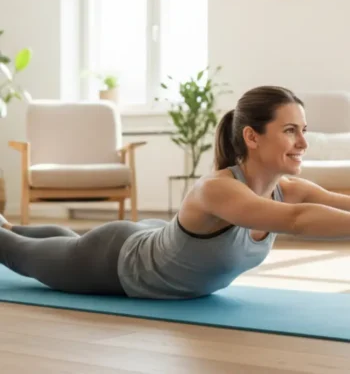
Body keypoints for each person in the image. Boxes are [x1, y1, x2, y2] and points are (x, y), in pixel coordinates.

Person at [1, 85, 350, 300]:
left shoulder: (288, 189)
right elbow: (298, 221)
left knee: (45, 240)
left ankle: (13, 225)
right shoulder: (219, 189)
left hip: (150, 236)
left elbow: (338, 204)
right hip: (115, 262)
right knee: (16, 253)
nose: (304, 142)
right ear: (252, 137)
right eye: (291, 131)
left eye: (304, 130)